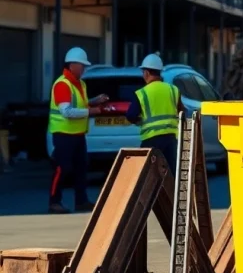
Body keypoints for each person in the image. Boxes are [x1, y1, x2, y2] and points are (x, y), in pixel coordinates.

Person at [48, 47, 110, 214]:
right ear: (72, 65)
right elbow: (66, 112)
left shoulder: (80, 84)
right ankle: (54, 202)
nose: (84, 69)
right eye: (82, 65)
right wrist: (92, 111)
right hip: (63, 135)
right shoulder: (62, 84)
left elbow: (79, 104)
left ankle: (81, 201)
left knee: (81, 168)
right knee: (62, 168)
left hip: (77, 134)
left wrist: (94, 101)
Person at [125, 53, 185, 166]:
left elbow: (130, 115)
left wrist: (139, 121)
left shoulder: (142, 93)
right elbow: (182, 111)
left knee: (150, 176)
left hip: (150, 140)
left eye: (143, 72)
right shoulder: (173, 89)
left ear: (146, 72)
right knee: (170, 174)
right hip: (171, 139)